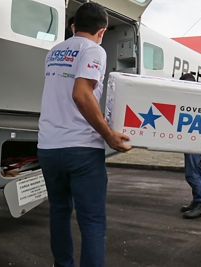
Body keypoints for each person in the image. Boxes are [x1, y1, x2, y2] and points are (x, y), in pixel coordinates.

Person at [37, 3, 131, 267]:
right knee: (92, 221)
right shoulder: (94, 50)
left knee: (59, 212)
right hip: (81, 148)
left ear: (73, 27)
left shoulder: (54, 51)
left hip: (48, 147)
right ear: (102, 32)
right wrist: (109, 134)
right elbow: (81, 93)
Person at [179, 73, 201, 219]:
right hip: (195, 140)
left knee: (192, 173)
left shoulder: (192, 99)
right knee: (197, 171)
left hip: (193, 140)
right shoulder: (199, 98)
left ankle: (200, 204)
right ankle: (197, 201)